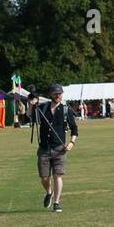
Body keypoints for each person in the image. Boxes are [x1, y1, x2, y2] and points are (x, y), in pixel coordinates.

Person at [30, 85, 78, 213]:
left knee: (57, 176)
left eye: (60, 94)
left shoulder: (66, 110)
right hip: (44, 148)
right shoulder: (43, 108)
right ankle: (49, 192)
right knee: (44, 177)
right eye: (56, 94)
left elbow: (74, 129)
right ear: (51, 94)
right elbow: (31, 118)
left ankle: (57, 203)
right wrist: (32, 105)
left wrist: (71, 142)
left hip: (59, 149)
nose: (58, 96)